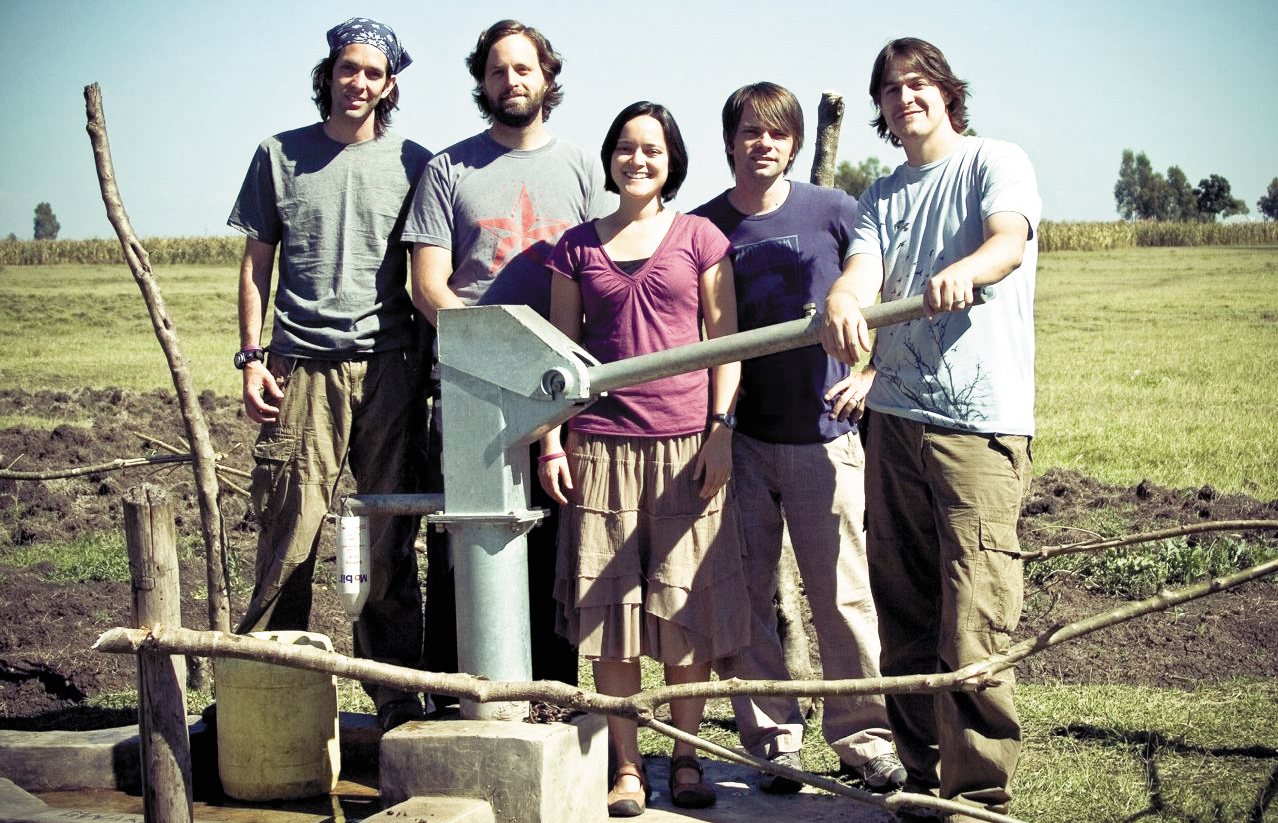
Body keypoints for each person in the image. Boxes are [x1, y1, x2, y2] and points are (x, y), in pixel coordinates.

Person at [819, 37, 1040, 822]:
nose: (905, 97)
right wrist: (844, 298)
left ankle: (977, 795)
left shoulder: (993, 162)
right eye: (891, 88)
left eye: (919, 84)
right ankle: (919, 776)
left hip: (975, 426)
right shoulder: (881, 193)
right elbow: (864, 270)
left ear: (947, 93)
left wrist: (968, 269)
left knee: (975, 613)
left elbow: (1008, 241)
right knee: (905, 609)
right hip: (894, 421)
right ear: (878, 107)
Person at [692, 82, 905, 794]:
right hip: (741, 438)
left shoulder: (836, 211)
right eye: (750, 131)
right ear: (729, 141)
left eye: (778, 133)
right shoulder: (704, 227)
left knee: (841, 594)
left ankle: (865, 738)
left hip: (826, 435)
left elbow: (894, 290)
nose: (764, 143)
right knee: (750, 596)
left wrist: (872, 371)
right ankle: (772, 738)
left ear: (794, 142)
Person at [538, 102, 749, 817]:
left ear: (672, 160)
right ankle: (628, 769)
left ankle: (684, 758)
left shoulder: (701, 238)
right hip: (600, 449)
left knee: (684, 607)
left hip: (690, 446)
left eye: (652, 149)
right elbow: (560, 359)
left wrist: (722, 429)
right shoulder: (575, 248)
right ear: (610, 158)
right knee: (612, 615)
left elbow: (727, 342)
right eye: (626, 148)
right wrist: (550, 440)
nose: (638, 160)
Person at [229, 18, 433, 732]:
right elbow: (257, 265)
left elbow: (431, 270)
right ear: (331, 72)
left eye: (373, 73)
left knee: (387, 533)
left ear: (390, 85)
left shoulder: (416, 161)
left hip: (390, 368)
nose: (359, 83)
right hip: (302, 369)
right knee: (290, 526)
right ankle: (268, 692)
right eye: (349, 69)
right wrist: (252, 356)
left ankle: (396, 694)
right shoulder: (279, 155)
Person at [403, 19, 610, 691]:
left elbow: (603, 268)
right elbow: (428, 284)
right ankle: (453, 693)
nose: (511, 80)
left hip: (556, 387)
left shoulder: (584, 168)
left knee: (553, 551)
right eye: (497, 70)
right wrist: (492, 351)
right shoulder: (447, 169)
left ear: (547, 78)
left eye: (524, 68)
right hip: (468, 389)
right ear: (481, 82)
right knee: (464, 547)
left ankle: (548, 696)